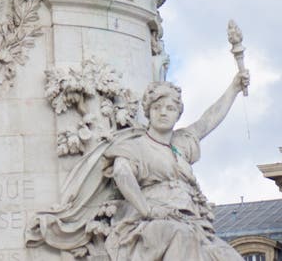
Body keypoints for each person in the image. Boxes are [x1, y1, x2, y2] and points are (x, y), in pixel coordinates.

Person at [26, 72, 250, 259]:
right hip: (148, 223)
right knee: (182, 237)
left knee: (229, 255)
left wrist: (234, 88)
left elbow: (208, 121)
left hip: (191, 221)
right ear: (149, 111)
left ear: (178, 114)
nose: (163, 112)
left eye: (170, 108)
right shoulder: (137, 146)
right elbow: (122, 173)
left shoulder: (182, 142)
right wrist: (149, 210)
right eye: (158, 107)